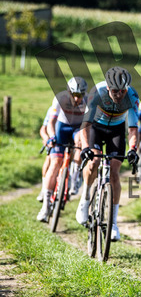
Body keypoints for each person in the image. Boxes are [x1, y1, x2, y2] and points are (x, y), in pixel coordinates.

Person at [76, 67, 140, 242]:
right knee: (94, 161)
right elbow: (85, 124)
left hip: (116, 130)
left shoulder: (132, 96)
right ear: (108, 88)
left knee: (114, 172)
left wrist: (133, 149)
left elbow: (133, 128)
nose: (119, 95)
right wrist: (85, 147)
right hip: (96, 127)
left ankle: (113, 223)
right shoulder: (97, 92)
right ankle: (85, 198)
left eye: (122, 91)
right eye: (115, 91)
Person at [37, 77, 88, 222]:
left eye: (80, 95)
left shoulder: (88, 101)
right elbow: (51, 122)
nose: (77, 98)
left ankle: (74, 177)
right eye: (74, 95)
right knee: (55, 163)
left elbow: (88, 124)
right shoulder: (60, 98)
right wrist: (52, 137)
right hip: (62, 128)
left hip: (77, 128)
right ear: (69, 92)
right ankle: (45, 206)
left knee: (80, 142)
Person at [37, 105, 56, 202]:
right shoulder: (53, 109)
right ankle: (44, 188)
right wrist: (46, 138)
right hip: (53, 140)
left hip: (68, 139)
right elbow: (43, 129)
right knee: (49, 159)